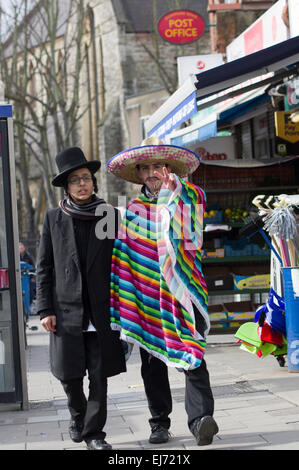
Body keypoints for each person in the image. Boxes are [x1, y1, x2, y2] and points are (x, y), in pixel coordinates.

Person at [107, 137, 219, 446]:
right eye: (146, 168)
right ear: (139, 174)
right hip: (146, 298)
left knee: (192, 354)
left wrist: (174, 193)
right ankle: (159, 424)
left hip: (183, 294)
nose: (153, 172)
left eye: (158, 166)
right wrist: (126, 298)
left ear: (169, 168)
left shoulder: (190, 196)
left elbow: (189, 236)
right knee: (152, 362)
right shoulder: (130, 210)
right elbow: (123, 258)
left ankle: (200, 421)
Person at [36, 147, 126, 450]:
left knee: (99, 377)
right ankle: (77, 415)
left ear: (94, 182)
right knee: (69, 376)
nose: (82, 184)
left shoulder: (109, 215)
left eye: (86, 178)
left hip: (102, 312)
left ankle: (94, 435)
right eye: (75, 180)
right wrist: (45, 308)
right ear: (67, 186)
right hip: (65, 312)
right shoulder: (53, 219)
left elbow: (121, 264)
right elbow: (43, 267)